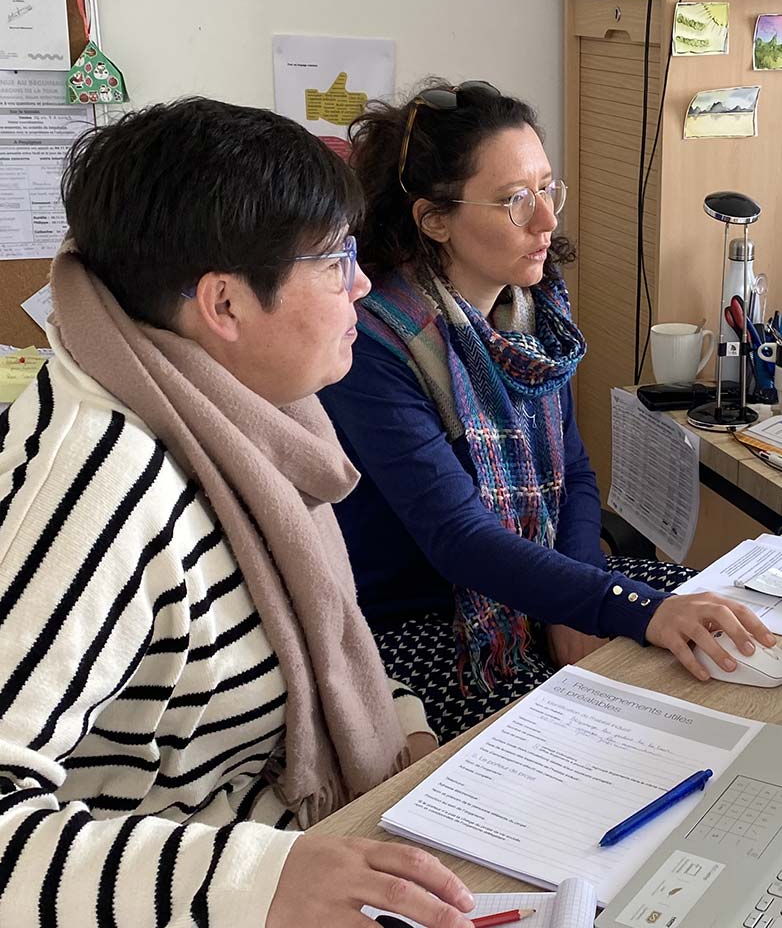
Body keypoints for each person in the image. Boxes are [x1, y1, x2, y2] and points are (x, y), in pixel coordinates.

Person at [0, 98, 479, 928]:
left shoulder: (246, 416)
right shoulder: (99, 487)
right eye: (335, 262)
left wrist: (400, 732)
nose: (361, 285)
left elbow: (316, 633)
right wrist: (254, 884)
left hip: (280, 840)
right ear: (223, 305)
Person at [319, 80, 774, 739]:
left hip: (544, 588)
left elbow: (577, 479)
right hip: (430, 626)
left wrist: (581, 602)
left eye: (546, 187)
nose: (546, 221)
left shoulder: (532, 317)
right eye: (514, 200)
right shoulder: (375, 345)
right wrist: (617, 605)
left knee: (725, 633)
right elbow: (458, 540)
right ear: (434, 218)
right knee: (612, 738)